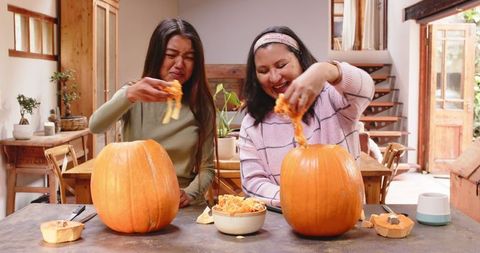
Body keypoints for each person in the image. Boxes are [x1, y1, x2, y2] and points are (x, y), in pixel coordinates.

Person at [238, 26, 375, 207]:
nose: (274, 77)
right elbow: (252, 182)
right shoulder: (251, 124)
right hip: (284, 221)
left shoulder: (333, 98)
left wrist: (324, 70)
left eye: (281, 65)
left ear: (300, 60)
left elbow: (366, 90)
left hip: (343, 214)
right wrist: (302, 196)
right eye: (263, 71)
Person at [89, 18, 216, 208]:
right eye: (171, 54)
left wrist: (189, 194)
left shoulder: (201, 104)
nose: (180, 63)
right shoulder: (133, 93)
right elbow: (95, 126)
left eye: (189, 57)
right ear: (157, 55)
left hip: (183, 204)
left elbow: (207, 168)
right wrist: (129, 95)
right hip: (135, 199)